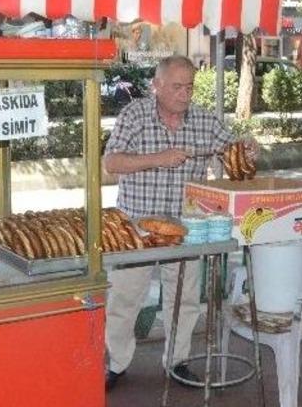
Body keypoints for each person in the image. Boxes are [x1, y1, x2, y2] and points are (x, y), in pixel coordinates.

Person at [102, 55, 248, 391]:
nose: (185, 94)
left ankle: (178, 361)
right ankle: (117, 363)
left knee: (184, 300)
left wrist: (247, 149)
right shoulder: (135, 114)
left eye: (190, 87)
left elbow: (232, 149)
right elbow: (111, 162)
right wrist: (159, 159)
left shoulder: (204, 121)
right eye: (177, 87)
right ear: (157, 86)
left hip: (186, 225)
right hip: (136, 225)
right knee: (124, 299)